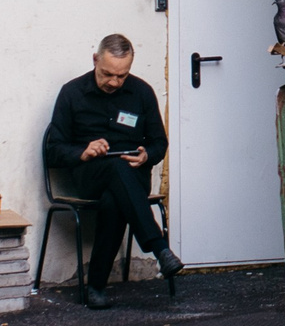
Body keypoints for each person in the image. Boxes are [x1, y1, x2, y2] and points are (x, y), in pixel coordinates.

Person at [43, 34, 181, 307]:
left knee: (114, 199)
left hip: (133, 176)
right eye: (107, 74)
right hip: (89, 175)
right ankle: (159, 247)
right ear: (95, 60)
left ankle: (95, 288)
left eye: (122, 76)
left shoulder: (141, 92)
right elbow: (53, 150)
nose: (114, 82)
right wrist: (82, 151)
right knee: (114, 174)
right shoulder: (72, 92)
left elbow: (158, 143)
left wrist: (146, 156)